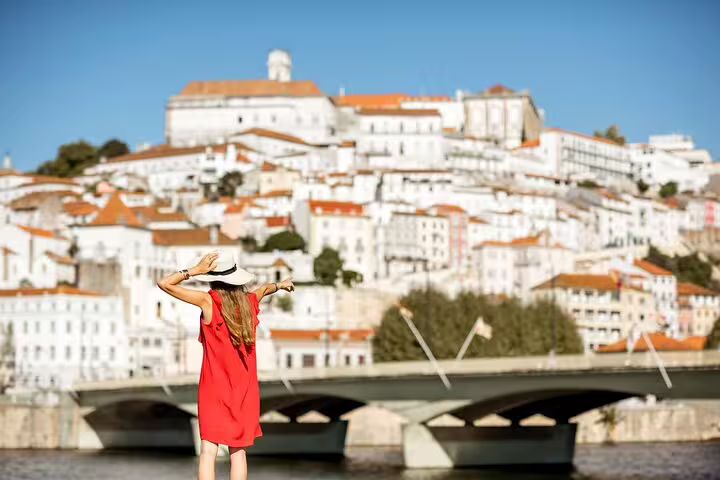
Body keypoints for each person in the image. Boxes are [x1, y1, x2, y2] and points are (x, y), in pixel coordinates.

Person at [157, 250, 294, 480]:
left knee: (208, 452)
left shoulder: (208, 301)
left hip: (214, 388)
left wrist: (195, 271)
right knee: (238, 452)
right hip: (245, 391)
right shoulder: (249, 302)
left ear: (214, 278)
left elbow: (165, 284)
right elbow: (263, 290)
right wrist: (281, 285)